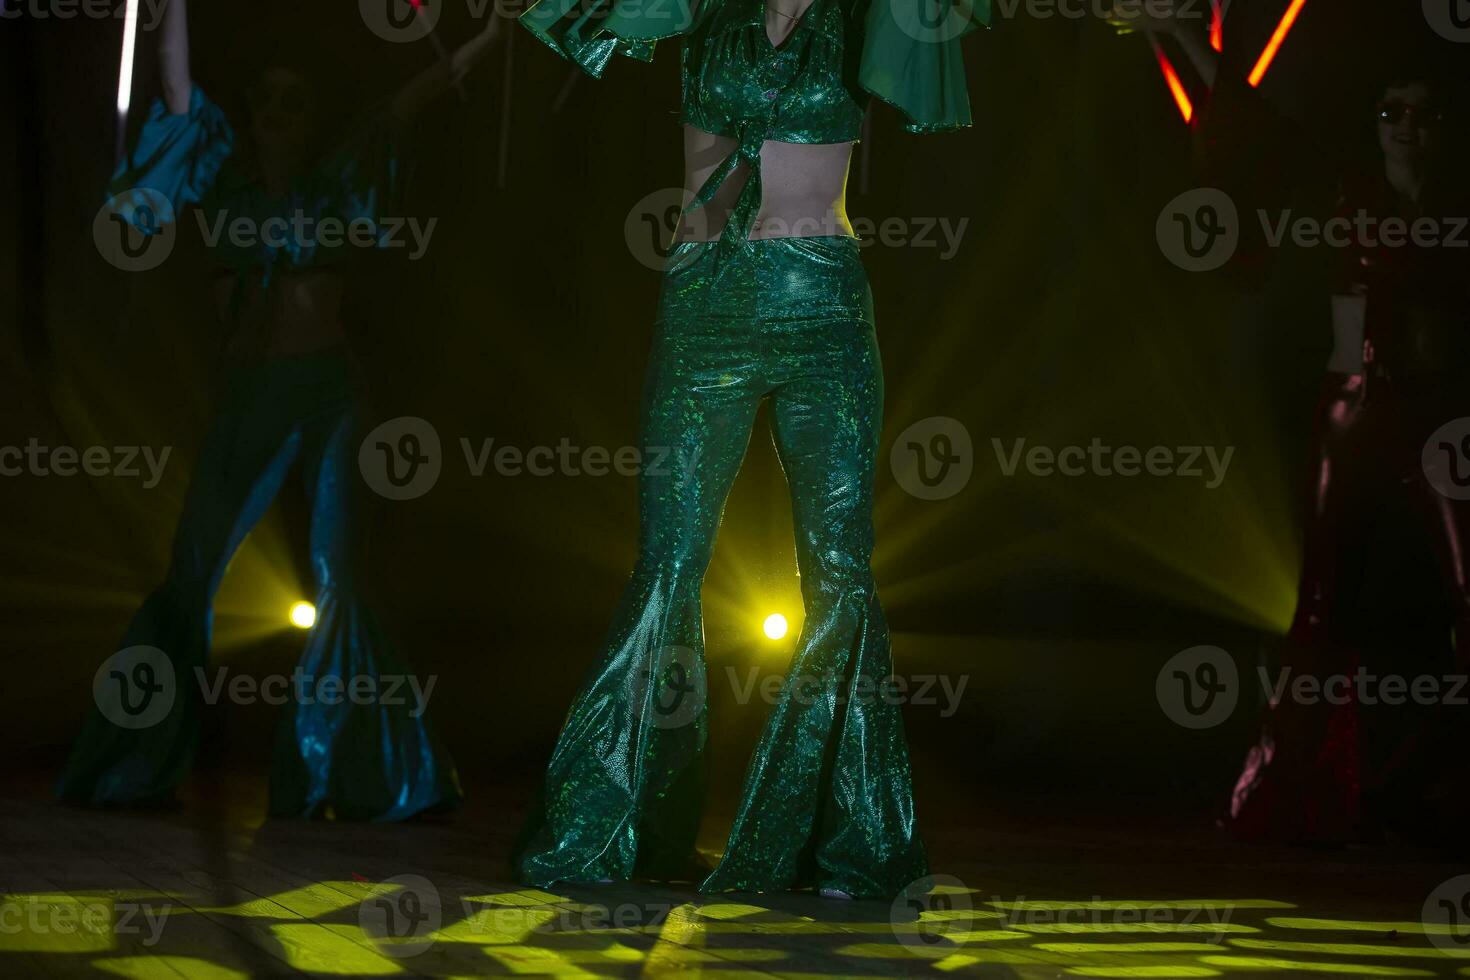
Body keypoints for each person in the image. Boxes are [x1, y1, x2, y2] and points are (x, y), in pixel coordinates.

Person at [509, 0, 988, 897]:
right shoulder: (699, 11)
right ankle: (614, 825)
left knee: (843, 571)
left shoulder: (863, 19)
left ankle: (834, 840)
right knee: (669, 561)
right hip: (706, 309)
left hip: (825, 310)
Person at [57, 0, 501, 819]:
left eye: (293, 101)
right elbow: (178, 87)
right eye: (266, 99)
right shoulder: (220, 174)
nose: (276, 114)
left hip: (329, 392)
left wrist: (480, 39)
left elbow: (414, 96)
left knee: (341, 576)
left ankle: (346, 777)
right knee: (193, 571)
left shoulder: (338, 179)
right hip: (250, 395)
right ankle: (130, 762)